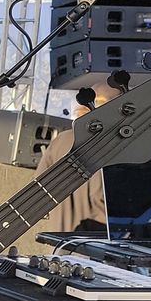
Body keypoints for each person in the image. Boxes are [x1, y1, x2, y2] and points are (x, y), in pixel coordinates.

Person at [36, 84, 119, 234]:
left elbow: (39, 193)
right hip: (95, 243)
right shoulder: (111, 146)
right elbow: (105, 201)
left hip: (59, 242)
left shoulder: (61, 140)